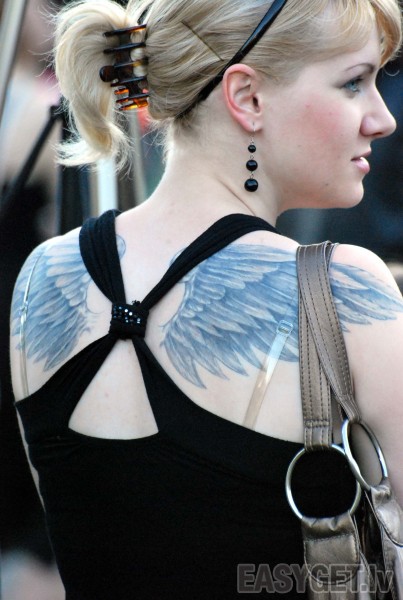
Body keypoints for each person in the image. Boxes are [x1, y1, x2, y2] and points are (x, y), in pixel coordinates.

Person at [9, 0, 403, 598]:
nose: (382, 118)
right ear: (247, 97)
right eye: (353, 82)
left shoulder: (44, 277)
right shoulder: (342, 291)